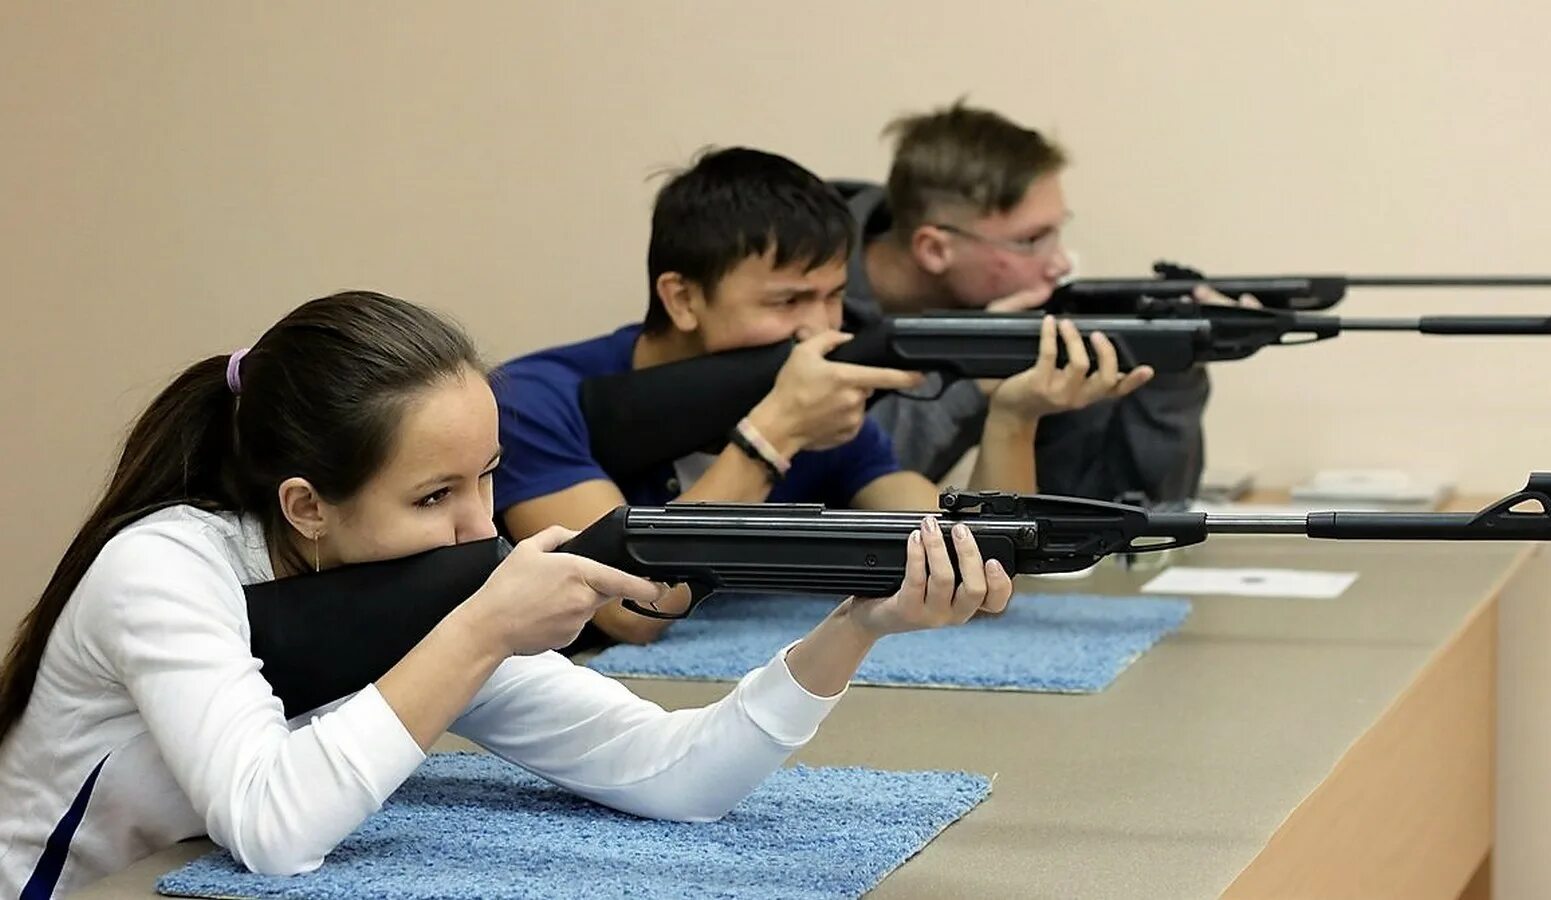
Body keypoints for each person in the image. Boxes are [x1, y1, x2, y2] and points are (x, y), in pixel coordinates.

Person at [0, 291, 1014, 896]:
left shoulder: (420, 595)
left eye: (489, 476)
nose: (483, 527)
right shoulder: (162, 569)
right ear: (307, 506)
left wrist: (856, 627)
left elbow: (676, 775)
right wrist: (483, 623)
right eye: (436, 494)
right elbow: (272, 830)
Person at [492, 148, 1153, 649]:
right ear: (682, 298)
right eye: (787, 301)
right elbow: (627, 615)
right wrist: (771, 435)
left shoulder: (824, 403)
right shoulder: (534, 404)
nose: (820, 328)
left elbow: (971, 572)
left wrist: (1013, 416)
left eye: (834, 295)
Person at [837, 100, 1220, 503]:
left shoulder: (1009, 311)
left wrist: (1174, 367)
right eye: (1030, 240)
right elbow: (821, 482)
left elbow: (1100, 512)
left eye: (1056, 232)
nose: (1058, 263)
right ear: (934, 250)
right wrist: (968, 383)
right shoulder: (796, 296)